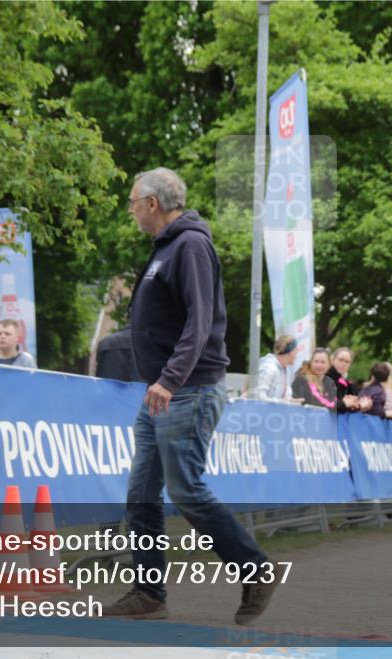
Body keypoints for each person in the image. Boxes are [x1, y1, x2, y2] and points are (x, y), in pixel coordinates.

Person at [107, 167, 276, 625]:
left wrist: (169, 379)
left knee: (185, 489)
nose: (130, 209)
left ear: (152, 204)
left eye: (132, 201)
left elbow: (199, 324)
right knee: (142, 493)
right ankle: (148, 593)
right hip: (162, 394)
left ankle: (256, 569)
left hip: (187, 390)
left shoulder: (191, 246)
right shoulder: (167, 249)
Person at [256, 335, 299, 401]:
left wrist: (291, 401)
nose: (297, 354)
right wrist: (281, 402)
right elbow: (258, 397)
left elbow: (286, 397)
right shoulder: (268, 368)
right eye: (296, 350)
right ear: (290, 352)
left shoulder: (286, 370)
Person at [325, 347, 360, 413]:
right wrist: (344, 403)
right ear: (332, 360)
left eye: (347, 362)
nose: (344, 364)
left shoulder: (345, 383)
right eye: (340, 360)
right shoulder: (325, 377)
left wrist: (354, 403)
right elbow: (327, 403)